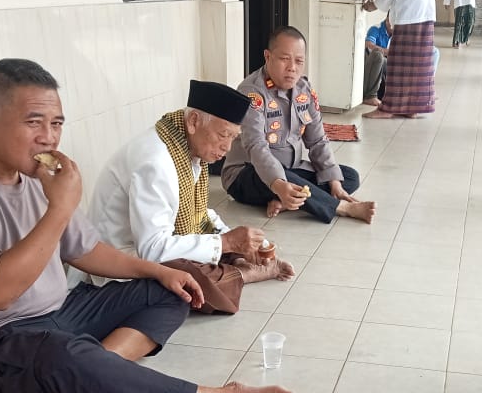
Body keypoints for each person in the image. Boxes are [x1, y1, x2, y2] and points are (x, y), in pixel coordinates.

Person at [0, 58, 297, 393]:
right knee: (61, 354)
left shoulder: (32, 173)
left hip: (56, 313)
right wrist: (60, 208)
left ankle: (81, 378)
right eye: (34, 123)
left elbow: (86, 249)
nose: (48, 138)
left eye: (56, 124)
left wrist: (159, 272)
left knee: (172, 291)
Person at [90, 80, 295, 316]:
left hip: (150, 244)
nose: (228, 147)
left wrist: (233, 240)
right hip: (119, 262)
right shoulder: (156, 163)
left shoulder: (183, 145)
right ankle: (243, 273)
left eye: (233, 137)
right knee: (188, 285)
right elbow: (152, 249)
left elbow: (196, 213)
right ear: (194, 121)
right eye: (223, 135)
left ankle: (237, 263)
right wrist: (227, 243)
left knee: (217, 243)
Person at [222, 26, 376, 224]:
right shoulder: (252, 92)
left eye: (299, 61)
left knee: (347, 176)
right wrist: (279, 183)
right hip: (248, 173)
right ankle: (343, 208)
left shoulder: (304, 89)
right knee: (286, 178)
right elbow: (256, 146)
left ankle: (286, 201)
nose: (292, 67)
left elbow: (318, 140)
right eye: (284, 59)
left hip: (292, 168)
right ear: (267, 57)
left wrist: (334, 183)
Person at [363, 17, 392, 106]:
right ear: (388, 20)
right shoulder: (376, 29)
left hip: (386, 67)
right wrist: (389, 52)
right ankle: (370, 96)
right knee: (378, 55)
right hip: (373, 63)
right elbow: (368, 45)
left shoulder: (400, 33)